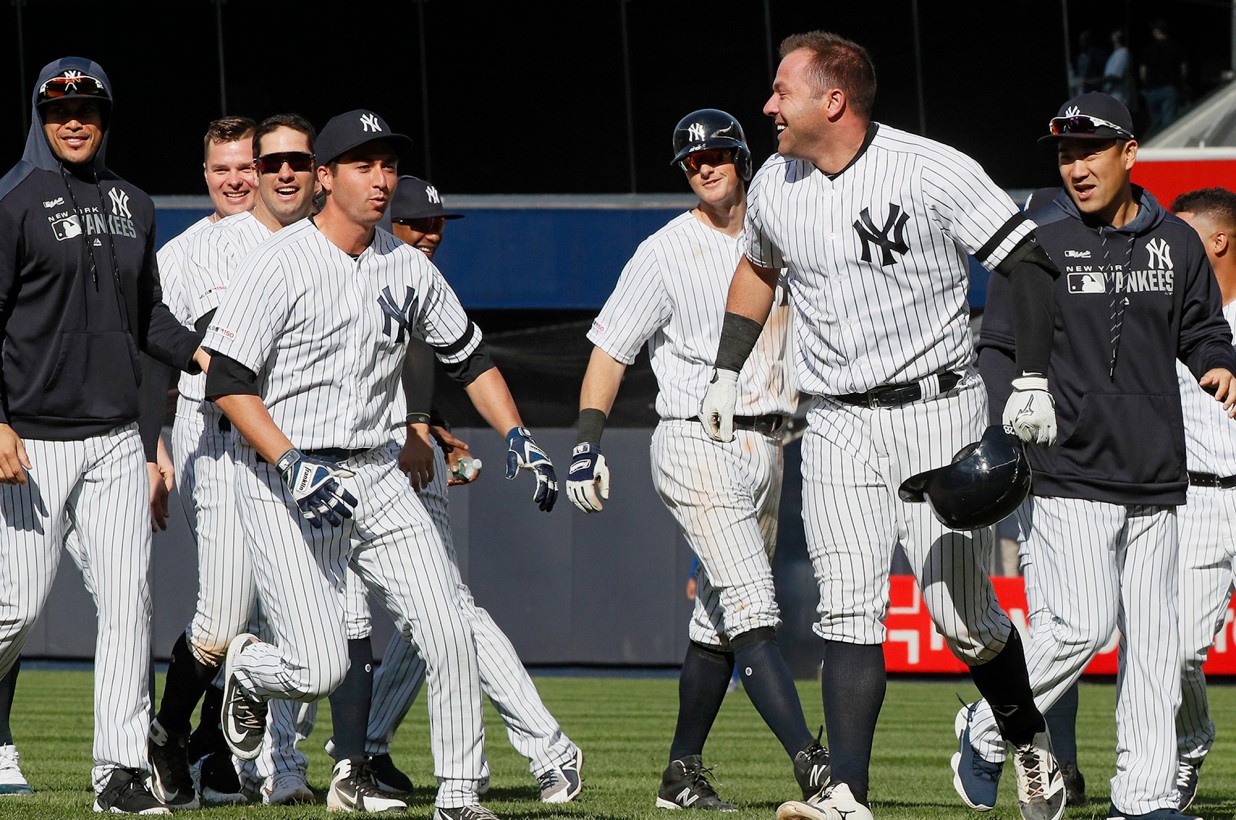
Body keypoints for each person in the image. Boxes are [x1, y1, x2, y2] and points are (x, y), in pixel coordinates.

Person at [698, 32, 1065, 820]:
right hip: (832, 418)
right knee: (848, 607)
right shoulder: (774, 188)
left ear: (832, 101)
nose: (768, 105)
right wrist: (726, 368)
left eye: (781, 90)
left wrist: (1030, 377)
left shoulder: (930, 167)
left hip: (939, 410)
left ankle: (1023, 730)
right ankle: (847, 797)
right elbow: (758, 270)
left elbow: (1028, 261)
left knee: (964, 618)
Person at [204, 108, 557, 820]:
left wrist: (517, 433)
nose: (382, 178)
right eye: (363, 165)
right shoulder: (279, 262)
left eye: (388, 163)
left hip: (376, 474)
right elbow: (228, 383)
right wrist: (292, 461)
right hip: (284, 478)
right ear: (325, 178)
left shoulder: (405, 265)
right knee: (317, 666)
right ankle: (248, 669)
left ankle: (458, 795)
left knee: (448, 627)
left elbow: (471, 357)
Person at [970, 92, 1236, 820]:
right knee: (1082, 626)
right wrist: (1007, 414)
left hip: (1156, 472)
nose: (1075, 166)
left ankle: (1144, 799)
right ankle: (989, 723)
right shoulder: (1039, 238)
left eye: (1089, 150)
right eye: (1063, 152)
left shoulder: (1178, 243)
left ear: (1129, 153)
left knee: (1153, 649)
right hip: (1069, 467)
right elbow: (995, 344)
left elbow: (1204, 329)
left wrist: (1221, 362)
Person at [570, 108, 829, 813]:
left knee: (718, 619)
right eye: (692, 160)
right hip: (695, 436)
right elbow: (611, 349)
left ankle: (681, 773)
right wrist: (587, 443)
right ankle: (816, 770)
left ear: (743, 157)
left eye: (717, 153)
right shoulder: (664, 250)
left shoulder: (784, 232)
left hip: (773, 441)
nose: (705, 165)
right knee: (753, 608)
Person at [325, 174, 585, 804]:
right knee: (427, 617)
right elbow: (402, 361)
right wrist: (425, 425)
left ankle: (545, 747)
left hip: (397, 457)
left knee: (444, 612)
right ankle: (370, 747)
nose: (433, 233)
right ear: (394, 223)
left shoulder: (403, 273)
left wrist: (425, 427)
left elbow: (427, 357)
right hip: (381, 453)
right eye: (421, 223)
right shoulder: (379, 265)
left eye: (440, 224)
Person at [0, 56, 209, 814]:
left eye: (86, 108)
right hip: (35, 436)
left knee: (130, 602)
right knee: (16, 608)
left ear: (106, 116)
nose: (73, 120)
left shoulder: (135, 204)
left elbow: (147, 313)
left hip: (118, 437)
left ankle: (119, 772)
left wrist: (201, 353)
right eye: (58, 110)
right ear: (40, 117)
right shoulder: (12, 201)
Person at [147, 113, 322, 809]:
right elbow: (147, 333)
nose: (237, 179)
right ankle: (168, 735)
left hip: (292, 446)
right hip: (215, 441)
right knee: (222, 621)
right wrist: (149, 439)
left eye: (246, 165)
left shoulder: (311, 243)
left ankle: (232, 758)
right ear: (206, 176)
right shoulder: (192, 250)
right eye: (222, 169)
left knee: (283, 621)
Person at [1168, 187, 1236, 812]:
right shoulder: (1166, 317)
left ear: (1216, 241)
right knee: (1181, 647)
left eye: (1180, 230)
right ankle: (1189, 748)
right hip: (1201, 502)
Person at [1139, 19, 1187, 139]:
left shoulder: (1148, 49)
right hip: (1169, 89)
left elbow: (1143, 73)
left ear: (1156, 31)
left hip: (1152, 90)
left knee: (1155, 122)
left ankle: (1151, 145)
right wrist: (1181, 84)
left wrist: (1147, 85)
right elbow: (1183, 70)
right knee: (1168, 124)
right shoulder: (1176, 47)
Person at [1102, 28, 1136, 109]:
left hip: (1119, 97)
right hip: (1111, 97)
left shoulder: (1123, 53)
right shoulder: (1114, 54)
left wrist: (1095, 81)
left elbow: (1115, 76)